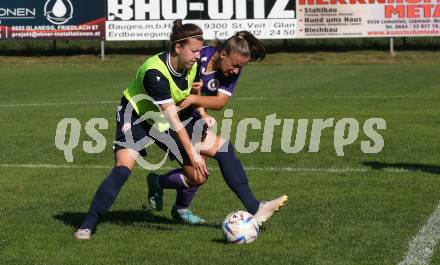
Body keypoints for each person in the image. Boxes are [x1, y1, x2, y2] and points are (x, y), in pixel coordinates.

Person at [74, 19, 207, 240]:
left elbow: (190, 94)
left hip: (161, 119)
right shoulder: (154, 71)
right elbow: (173, 119)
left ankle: (157, 183)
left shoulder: (192, 67)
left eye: (199, 51)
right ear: (178, 48)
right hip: (136, 115)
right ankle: (87, 225)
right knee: (123, 168)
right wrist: (193, 153)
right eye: (193, 51)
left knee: (197, 176)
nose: (197, 56)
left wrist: (202, 111)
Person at [144, 31, 288, 225]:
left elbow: (219, 102)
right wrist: (197, 104)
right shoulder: (195, 57)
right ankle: (160, 185)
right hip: (165, 121)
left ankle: (256, 208)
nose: (236, 71)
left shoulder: (232, 70)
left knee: (223, 151)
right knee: (197, 175)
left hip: (190, 117)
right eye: (235, 65)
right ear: (222, 54)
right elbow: (172, 86)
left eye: (240, 67)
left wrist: (199, 106)